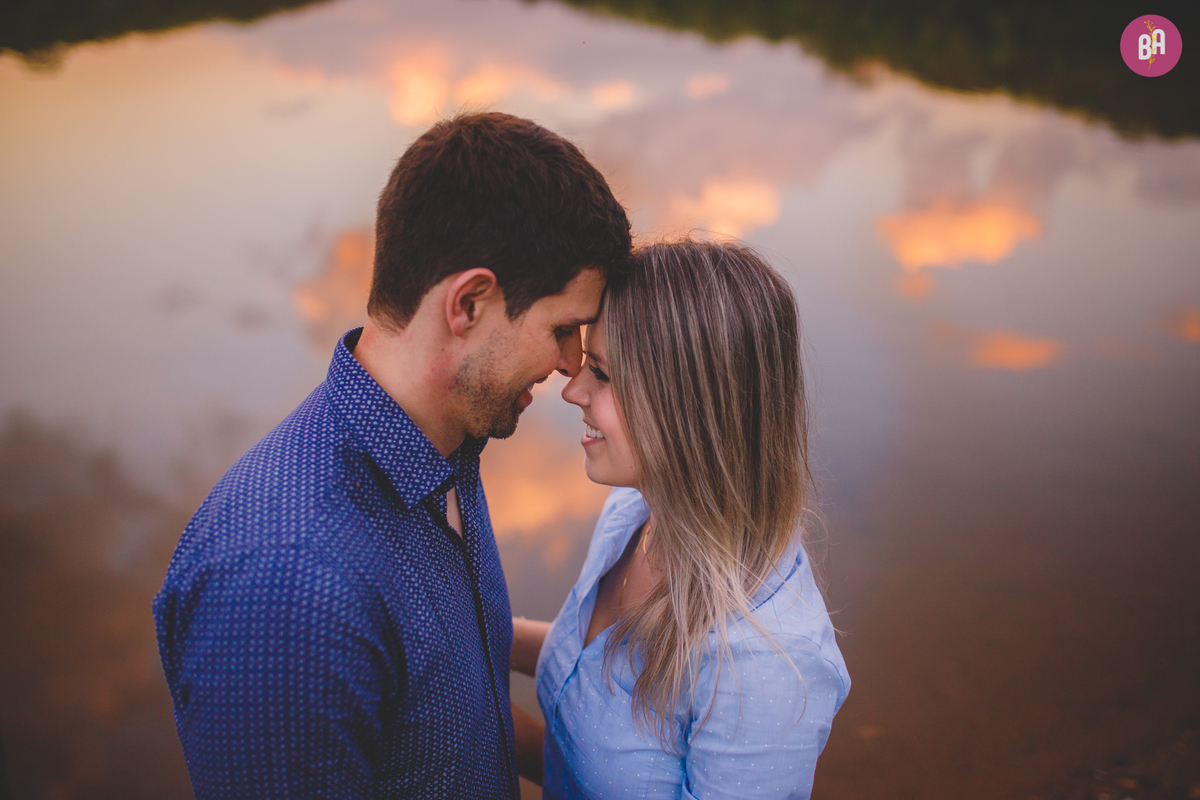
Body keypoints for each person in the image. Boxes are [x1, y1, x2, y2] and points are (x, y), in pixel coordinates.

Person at [153, 112, 631, 799]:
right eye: (561, 330)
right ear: (469, 302)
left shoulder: (446, 446)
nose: (569, 365)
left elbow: (465, 712)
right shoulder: (287, 589)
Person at [510, 239, 850, 799]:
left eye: (604, 373)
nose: (572, 389)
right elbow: (591, 677)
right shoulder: (635, 511)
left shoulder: (766, 668)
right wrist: (462, 635)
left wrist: (459, 712)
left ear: (690, 405)